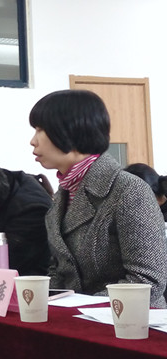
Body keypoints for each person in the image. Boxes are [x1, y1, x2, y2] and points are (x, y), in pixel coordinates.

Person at [29, 89, 167, 308]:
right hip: (79, 319)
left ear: (69, 130)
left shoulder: (129, 191)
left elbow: (147, 282)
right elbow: (59, 270)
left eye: (40, 130)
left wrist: (79, 307)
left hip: (131, 320)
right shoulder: (64, 194)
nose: (32, 141)